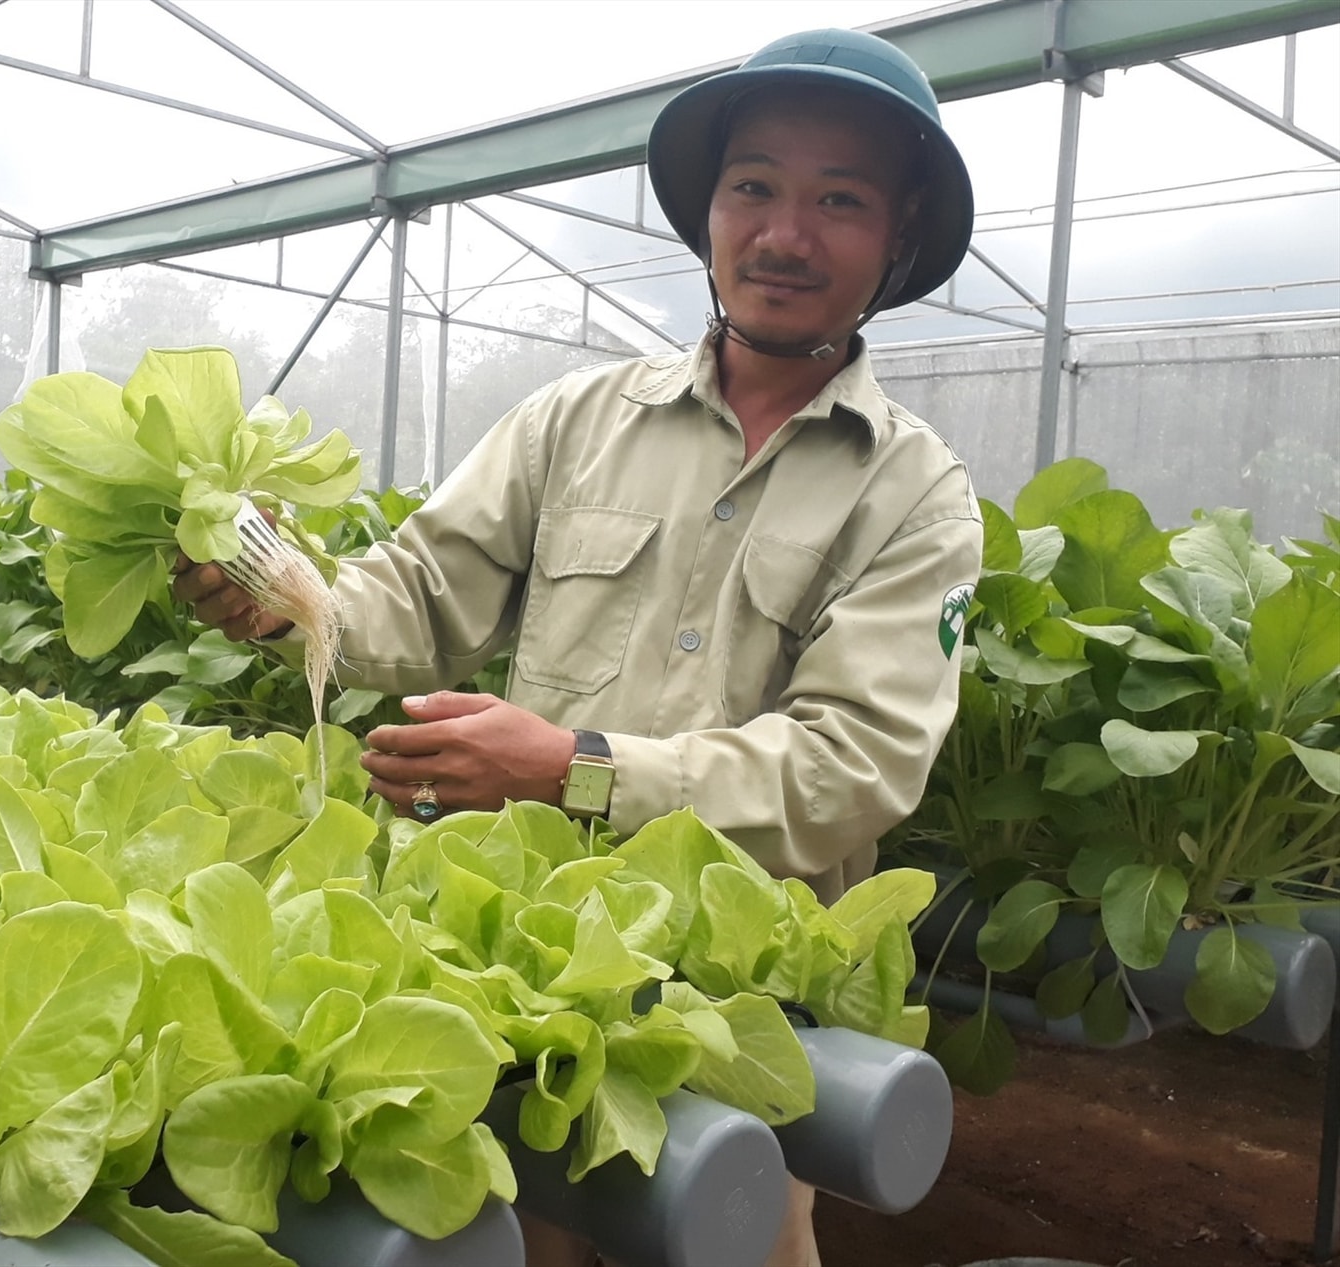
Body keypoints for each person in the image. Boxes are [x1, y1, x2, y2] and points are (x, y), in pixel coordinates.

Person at [175, 27, 981, 1267]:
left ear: (898, 239)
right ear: (710, 213)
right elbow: (427, 588)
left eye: (841, 201)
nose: (784, 233)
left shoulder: (916, 495)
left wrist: (573, 771)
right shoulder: (576, 420)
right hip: (525, 979)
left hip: (741, 1013)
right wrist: (293, 596)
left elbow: (851, 769)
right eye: (753, 187)